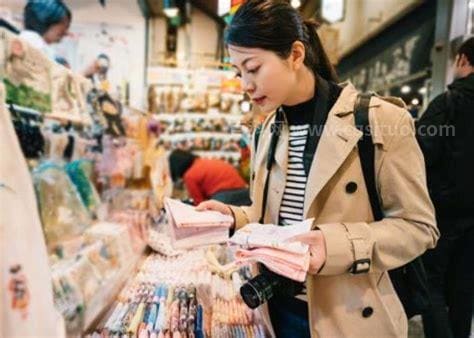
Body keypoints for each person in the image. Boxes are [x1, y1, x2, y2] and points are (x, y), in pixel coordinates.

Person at [196, 1, 439, 337]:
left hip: (350, 316)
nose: (245, 86)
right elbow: (271, 219)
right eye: (239, 73)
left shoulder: (378, 120)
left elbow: (418, 227)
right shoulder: (266, 130)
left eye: (253, 68)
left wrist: (334, 245)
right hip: (277, 309)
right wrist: (230, 218)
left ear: (296, 55)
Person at [417, 37, 474, 338]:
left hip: (443, 213)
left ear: (463, 60)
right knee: (465, 288)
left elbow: (417, 155)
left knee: (431, 286)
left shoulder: (448, 103)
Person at [168, 149, 250, 206]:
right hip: (245, 193)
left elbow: (199, 203)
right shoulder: (203, 161)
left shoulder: (189, 175)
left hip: (224, 197)